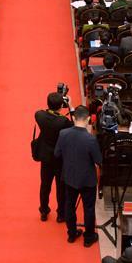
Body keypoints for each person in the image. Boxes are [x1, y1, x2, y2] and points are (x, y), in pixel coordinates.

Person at [55, 106, 102, 247]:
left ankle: (71, 234)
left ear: (74, 118)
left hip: (69, 177)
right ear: (88, 119)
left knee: (69, 205)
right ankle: (89, 237)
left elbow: (57, 153)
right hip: (87, 179)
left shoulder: (63, 134)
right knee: (88, 208)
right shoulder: (90, 139)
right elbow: (98, 160)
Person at [33, 91, 73, 222]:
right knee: (61, 188)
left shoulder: (39, 116)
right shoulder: (63, 121)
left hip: (45, 157)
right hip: (60, 158)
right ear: (61, 106)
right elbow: (73, 126)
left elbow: (42, 112)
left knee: (45, 186)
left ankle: (44, 211)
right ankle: (61, 214)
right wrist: (71, 107)